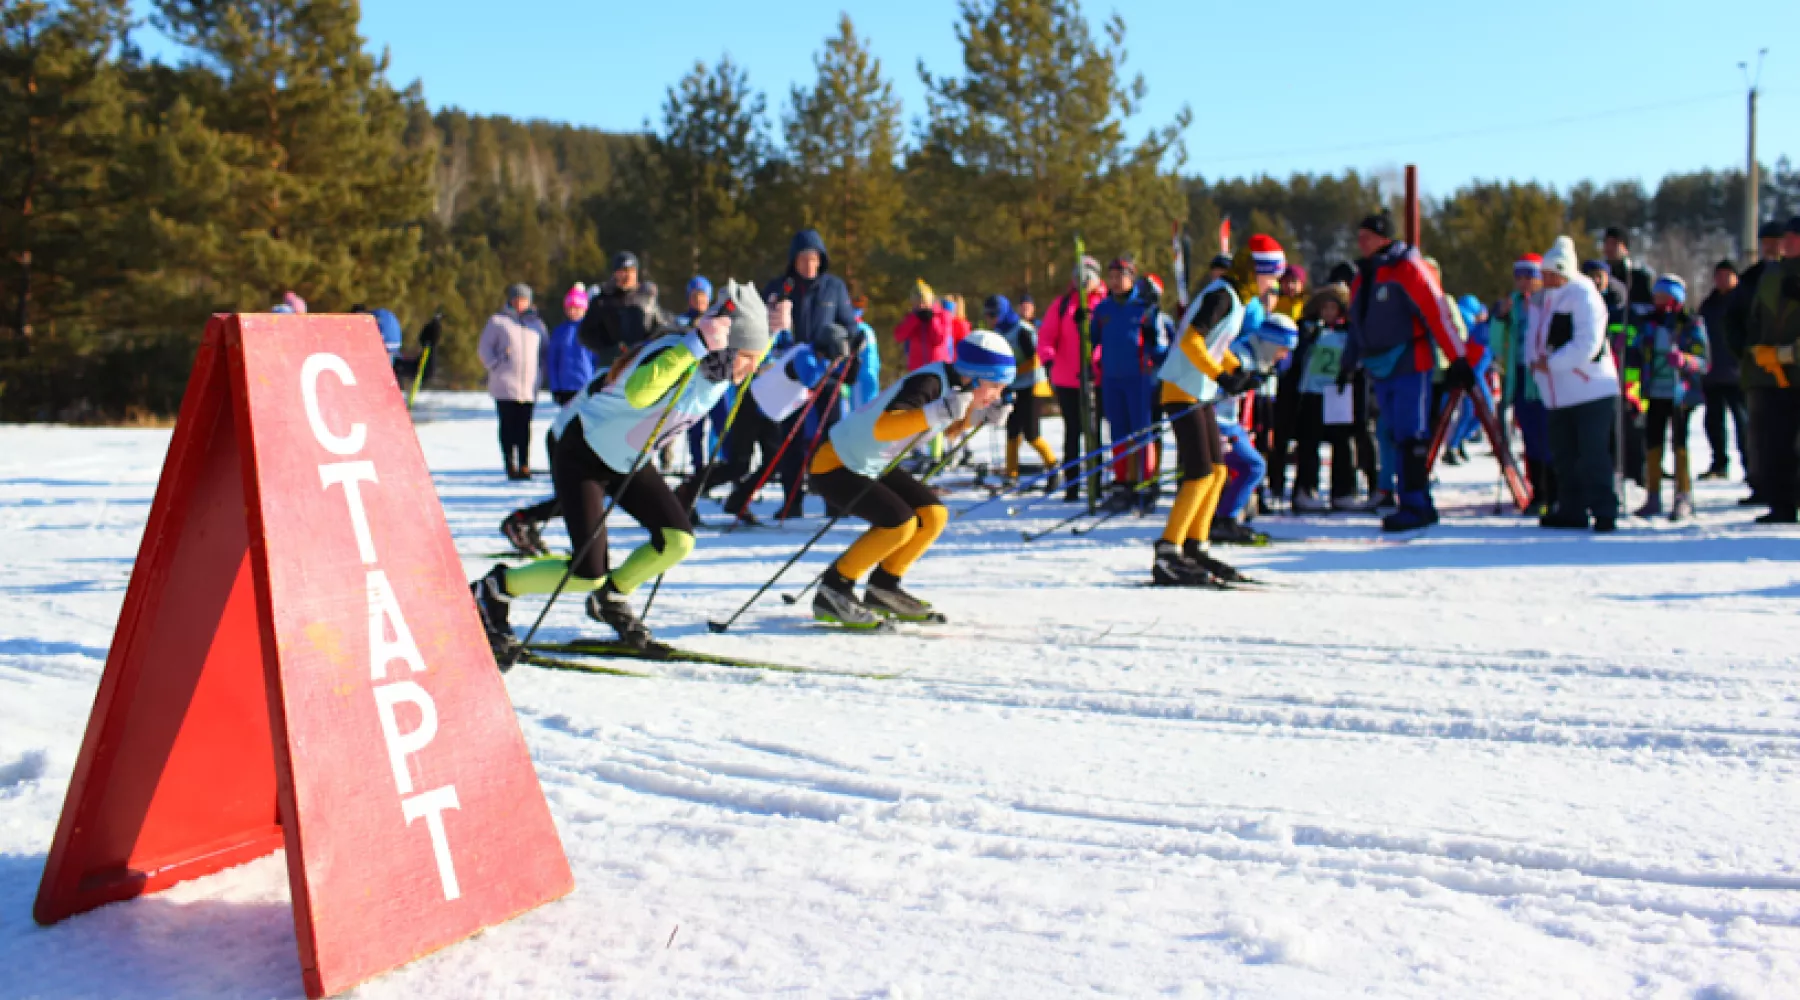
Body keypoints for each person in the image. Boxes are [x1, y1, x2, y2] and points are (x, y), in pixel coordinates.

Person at [470, 281, 771, 653]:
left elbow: (750, 341)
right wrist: (695, 345)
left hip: (628, 461)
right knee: (587, 573)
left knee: (677, 540)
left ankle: (611, 599)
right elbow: (639, 392)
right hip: (584, 454)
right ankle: (493, 590)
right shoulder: (678, 354)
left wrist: (773, 326)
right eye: (751, 357)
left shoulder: (719, 369)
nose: (755, 367)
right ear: (725, 349)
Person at [808, 331, 1014, 627]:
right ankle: (834, 589)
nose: (997, 394)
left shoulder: (956, 387)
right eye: (995, 386)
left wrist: (980, 418)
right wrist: (938, 411)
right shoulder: (929, 383)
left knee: (933, 515)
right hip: (835, 462)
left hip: (871, 462)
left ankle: (884, 587)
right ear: (975, 375)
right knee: (899, 523)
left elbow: (946, 425)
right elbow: (885, 427)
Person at [1340, 212, 1478, 531]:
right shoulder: (1366, 274)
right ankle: (1408, 499)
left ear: (1383, 238)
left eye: (1367, 236)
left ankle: (1416, 503)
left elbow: (1436, 310)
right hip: (1379, 366)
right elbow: (1356, 323)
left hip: (1410, 363)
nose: (1360, 243)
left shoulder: (1408, 267)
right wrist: (1349, 362)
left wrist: (1457, 358)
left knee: (1410, 434)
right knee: (1392, 434)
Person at [1529, 237, 1621, 532]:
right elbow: (1536, 338)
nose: (1543, 278)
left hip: (1590, 390)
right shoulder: (1546, 298)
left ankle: (1604, 510)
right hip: (1558, 394)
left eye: (1548, 273)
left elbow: (1588, 343)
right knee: (1564, 456)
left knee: (1592, 454)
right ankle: (1571, 509)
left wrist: (1552, 364)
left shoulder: (1583, 295)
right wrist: (1538, 369)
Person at [1631, 275, 1710, 521]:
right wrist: (1625, 348)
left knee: (1680, 444)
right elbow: (1637, 354)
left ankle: (1682, 494)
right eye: (1656, 297)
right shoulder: (1648, 324)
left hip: (1680, 394)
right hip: (1654, 392)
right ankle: (1652, 494)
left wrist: (1686, 360)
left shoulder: (1690, 323)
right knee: (1653, 442)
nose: (1658, 301)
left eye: (1663, 297)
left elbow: (1704, 361)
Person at [1726, 220, 1790, 507]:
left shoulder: (1791, 275)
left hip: (1790, 367)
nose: (1770, 247)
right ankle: (1761, 485)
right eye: (1765, 242)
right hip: (1759, 371)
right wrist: (1747, 353)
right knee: (1761, 433)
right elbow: (1733, 320)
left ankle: (1785, 493)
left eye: (1775, 241)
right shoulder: (1751, 279)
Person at [1089, 256, 1161, 511]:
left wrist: (1155, 338)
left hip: (1138, 378)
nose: (1116, 281)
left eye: (1121, 276)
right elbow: (1092, 339)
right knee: (1118, 433)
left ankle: (1146, 482)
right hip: (1111, 378)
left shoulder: (1144, 307)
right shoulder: (1103, 309)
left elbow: (1160, 346)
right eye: (1112, 277)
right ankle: (1123, 484)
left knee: (1142, 432)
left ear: (1132, 277)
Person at [1741, 217, 1800, 524]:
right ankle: (1782, 505)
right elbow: (1756, 319)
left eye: (1794, 236)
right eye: (1786, 236)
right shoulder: (1770, 275)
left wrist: (1787, 353)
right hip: (1771, 375)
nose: (1788, 241)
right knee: (1775, 443)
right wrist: (1754, 351)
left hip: (1793, 367)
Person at [1289, 285, 1368, 512]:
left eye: (1334, 308)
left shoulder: (1349, 332)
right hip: (1312, 391)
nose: (1329, 313)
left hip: (1338, 393)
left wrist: (1350, 372)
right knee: (1308, 443)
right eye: (1325, 308)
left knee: (1342, 443)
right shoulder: (1309, 329)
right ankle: (1306, 489)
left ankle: (1343, 491)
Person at [1038, 256, 1105, 501]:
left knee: (1094, 433)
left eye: (1087, 277)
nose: (1082, 282)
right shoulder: (1063, 304)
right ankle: (1072, 486)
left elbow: (1108, 338)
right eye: (1078, 276)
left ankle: (1096, 485)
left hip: (1095, 378)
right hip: (1067, 378)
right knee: (1072, 432)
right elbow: (1046, 335)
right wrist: (1049, 360)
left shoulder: (1104, 303)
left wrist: (1096, 360)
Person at [1495, 253, 1554, 515]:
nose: (1523, 282)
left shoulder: (1549, 301)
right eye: (1519, 276)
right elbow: (1496, 346)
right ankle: (1537, 493)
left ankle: (1554, 493)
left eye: (1529, 276)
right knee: (1529, 436)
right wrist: (1499, 319)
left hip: (1543, 376)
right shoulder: (1513, 304)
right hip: (1519, 376)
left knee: (1548, 436)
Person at [986, 295, 1057, 485]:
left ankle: (1053, 468)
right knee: (1012, 431)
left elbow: (1035, 359)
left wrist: (1011, 372)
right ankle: (1011, 474)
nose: (990, 319)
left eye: (993, 314)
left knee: (1031, 434)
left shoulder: (1022, 330)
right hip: (1015, 386)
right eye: (987, 315)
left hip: (1033, 386)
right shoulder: (999, 332)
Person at [479, 283, 547, 479]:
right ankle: (510, 464)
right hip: (505, 385)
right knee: (508, 426)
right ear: (510, 300)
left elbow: (544, 351)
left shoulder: (537, 325)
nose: (520, 303)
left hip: (528, 387)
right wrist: (495, 364)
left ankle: (525, 464)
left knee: (525, 427)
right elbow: (484, 348)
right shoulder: (498, 322)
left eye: (524, 299)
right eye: (516, 299)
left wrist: (541, 372)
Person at [1698, 261, 1747, 481]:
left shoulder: (1743, 302)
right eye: (1719, 275)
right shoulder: (1708, 306)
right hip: (1712, 373)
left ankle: (1750, 466)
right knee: (1713, 423)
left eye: (1728, 275)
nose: (1722, 280)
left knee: (1743, 424)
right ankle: (1719, 463)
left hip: (1738, 374)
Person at [580, 251, 668, 368]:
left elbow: (661, 327)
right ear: (615, 273)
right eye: (623, 271)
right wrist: (607, 350)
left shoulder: (647, 298)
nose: (627, 276)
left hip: (642, 362)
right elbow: (585, 333)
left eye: (631, 271)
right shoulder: (603, 300)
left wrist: (650, 347)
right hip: (611, 366)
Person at [544, 284, 594, 406]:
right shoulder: (560, 331)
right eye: (569, 308)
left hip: (586, 384)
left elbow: (597, 359)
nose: (573, 312)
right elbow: (552, 361)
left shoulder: (591, 330)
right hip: (565, 387)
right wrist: (555, 387)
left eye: (576, 308)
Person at [894, 280, 955, 372]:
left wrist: (932, 319)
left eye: (923, 302)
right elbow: (899, 336)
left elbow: (939, 339)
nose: (921, 306)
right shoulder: (911, 317)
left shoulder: (943, 315)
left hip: (937, 366)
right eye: (917, 303)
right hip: (917, 367)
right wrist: (915, 319)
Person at [849, 296, 883, 408]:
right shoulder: (867, 328)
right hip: (871, 376)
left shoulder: (857, 329)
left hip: (860, 377)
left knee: (859, 412)